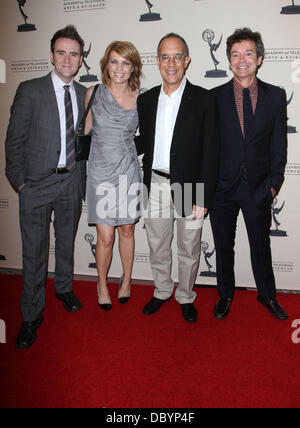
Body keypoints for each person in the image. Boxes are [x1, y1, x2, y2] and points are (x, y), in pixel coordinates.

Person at [5, 25, 86, 349]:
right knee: (34, 254)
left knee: (65, 244)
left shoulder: (84, 94)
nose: (68, 59)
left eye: (74, 54)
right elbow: (14, 143)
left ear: (81, 60)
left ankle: (64, 288)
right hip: (36, 185)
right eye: (62, 52)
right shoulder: (30, 90)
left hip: (70, 182)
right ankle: (30, 315)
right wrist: (21, 184)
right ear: (52, 55)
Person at [136, 33, 219, 323]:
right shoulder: (145, 101)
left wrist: (204, 197)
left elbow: (211, 151)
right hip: (155, 183)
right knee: (157, 244)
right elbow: (142, 143)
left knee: (189, 246)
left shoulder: (204, 99)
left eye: (177, 56)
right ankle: (161, 291)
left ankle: (185, 294)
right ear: (157, 61)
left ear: (187, 60)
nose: (171, 63)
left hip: (191, 186)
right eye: (165, 57)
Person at [210, 28, 288, 320]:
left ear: (259, 57)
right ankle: (225, 295)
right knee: (223, 247)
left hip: (258, 188)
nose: (241, 60)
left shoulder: (276, 96)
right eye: (235, 54)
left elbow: (280, 144)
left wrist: (273, 184)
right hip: (223, 189)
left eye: (248, 53)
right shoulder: (214, 97)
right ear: (229, 61)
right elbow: (209, 146)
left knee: (261, 247)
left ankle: (267, 296)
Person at [85, 41, 142, 311]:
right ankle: (101, 284)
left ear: (133, 67)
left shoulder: (140, 96)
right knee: (105, 236)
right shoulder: (92, 93)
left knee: (127, 229)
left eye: (126, 62)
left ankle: (127, 280)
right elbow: (84, 135)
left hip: (128, 171)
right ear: (106, 64)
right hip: (100, 172)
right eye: (114, 61)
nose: (120, 68)